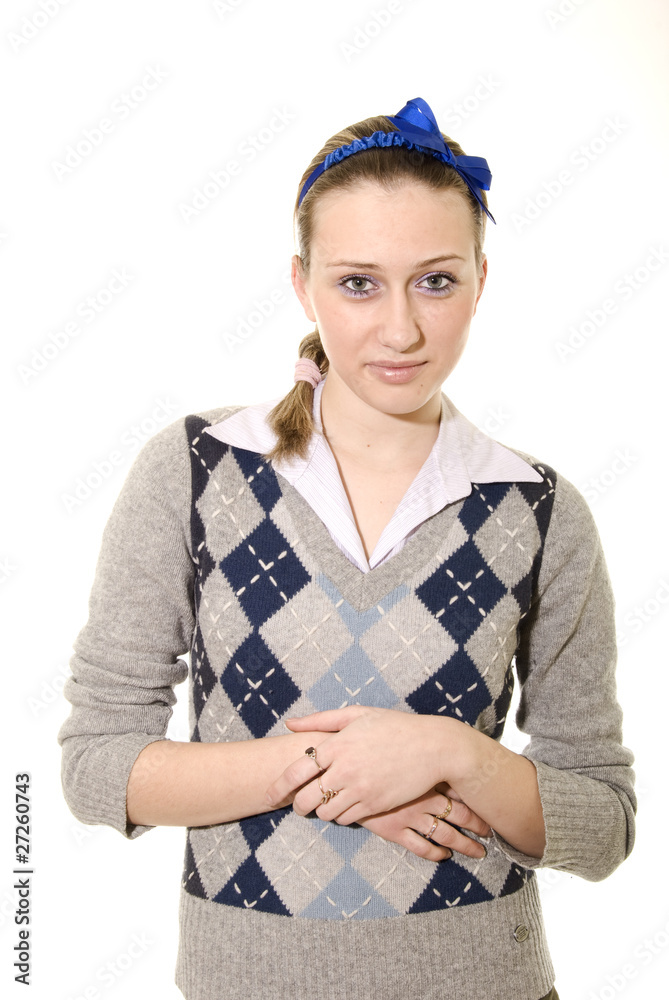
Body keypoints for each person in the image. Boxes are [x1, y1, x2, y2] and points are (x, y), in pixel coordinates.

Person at [58, 97, 636, 1000]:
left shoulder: (539, 511)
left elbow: (601, 826)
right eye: (358, 283)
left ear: (481, 279)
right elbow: (96, 766)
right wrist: (334, 771)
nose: (399, 329)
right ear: (302, 285)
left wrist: (452, 754)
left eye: (435, 281)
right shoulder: (199, 471)